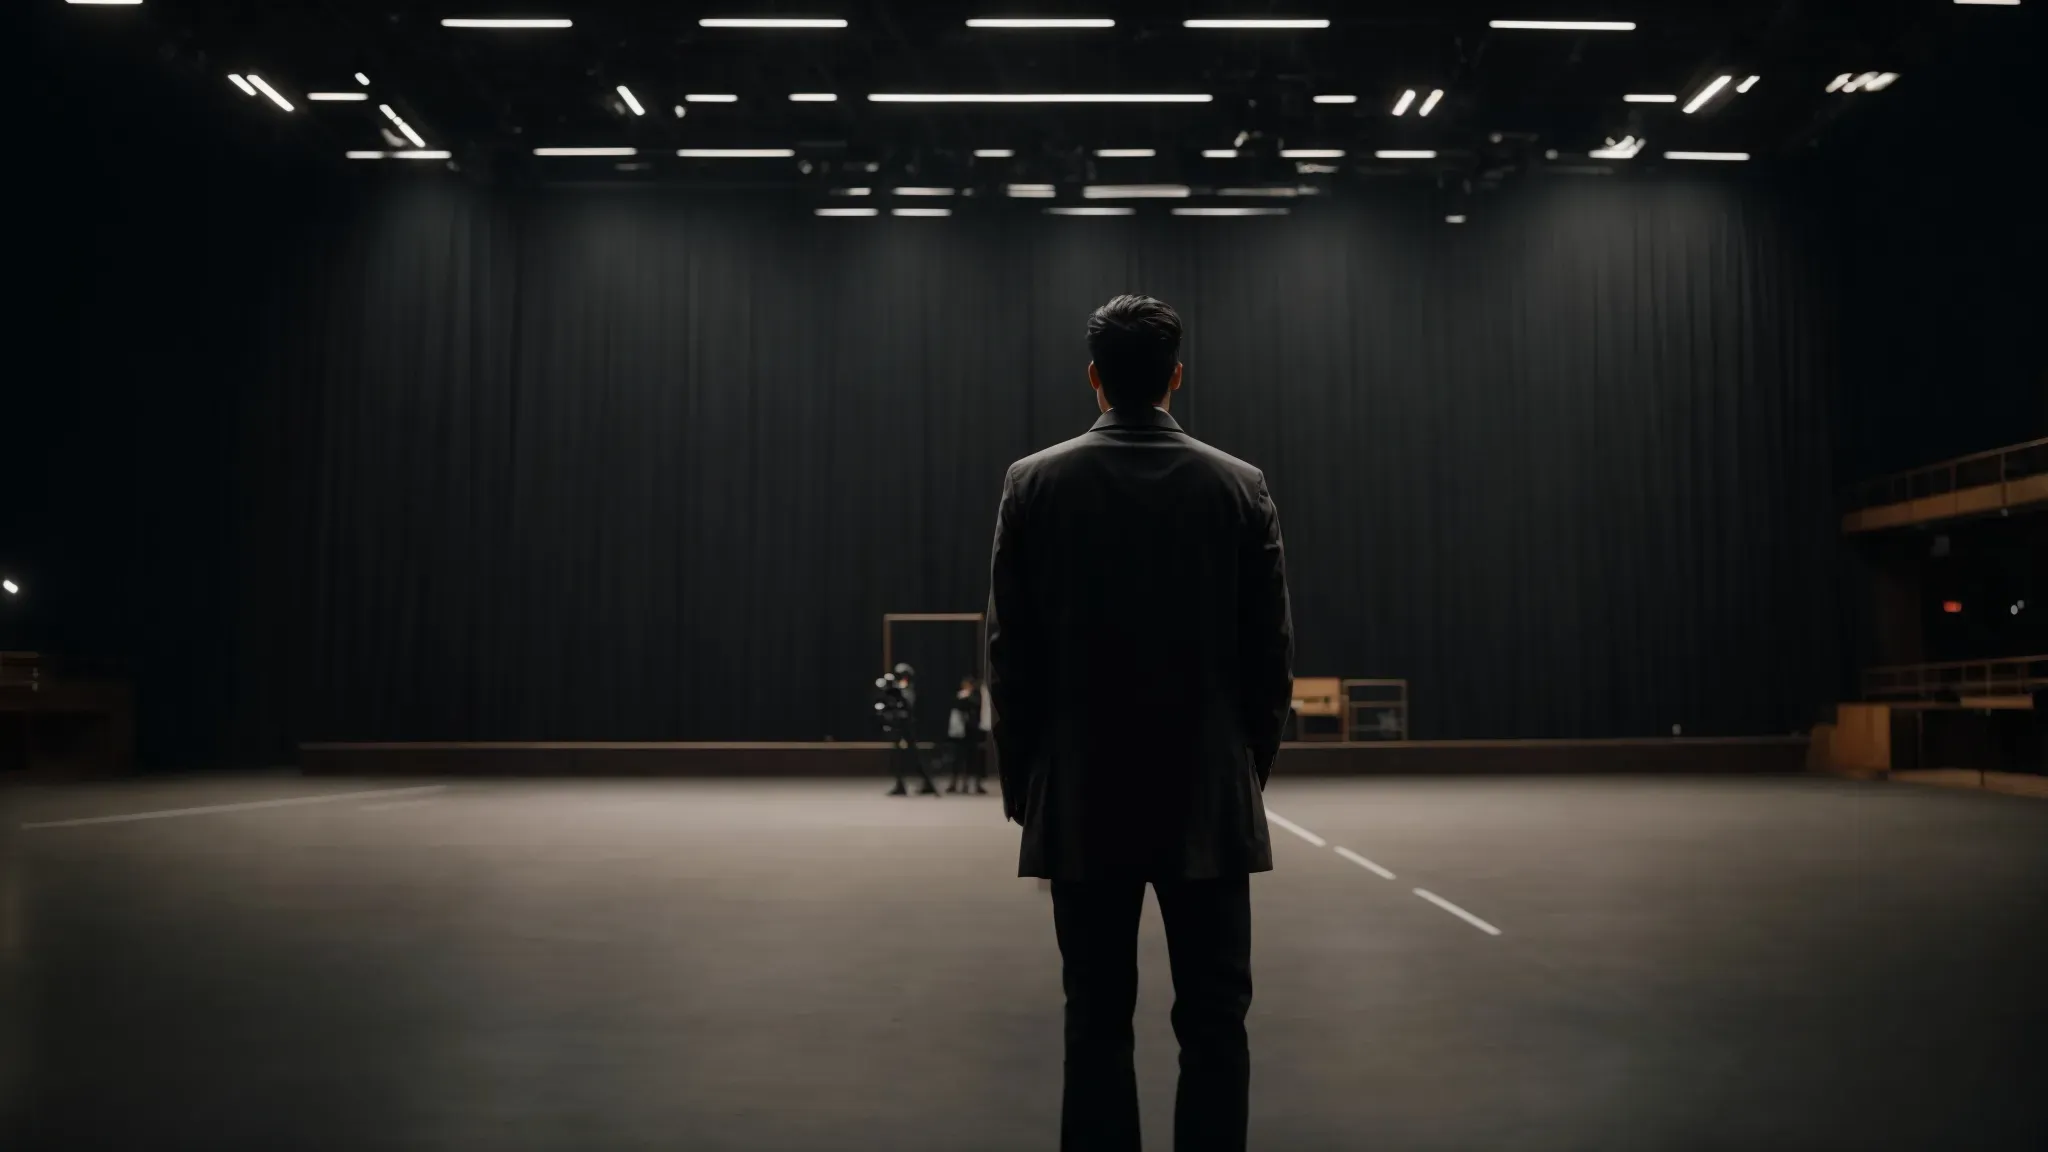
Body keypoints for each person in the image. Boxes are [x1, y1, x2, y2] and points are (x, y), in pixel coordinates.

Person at [986, 294, 1294, 1152]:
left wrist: (1029, 794)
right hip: (1206, 802)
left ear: (1094, 379)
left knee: (1093, 1023)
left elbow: (1011, 661)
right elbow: (1271, 660)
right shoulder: (1240, 487)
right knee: (1215, 1026)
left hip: (1084, 802)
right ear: (1176, 377)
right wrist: (1242, 777)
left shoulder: (1033, 483)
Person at [884, 663, 938, 797]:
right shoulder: (902, 688)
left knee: (910, 756)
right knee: (902, 756)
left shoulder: (906, 689)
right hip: (901, 725)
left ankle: (924, 784)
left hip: (905, 725)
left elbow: (906, 705)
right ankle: (903, 784)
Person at [946, 676, 987, 793]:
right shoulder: (960, 695)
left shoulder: (976, 696)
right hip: (960, 733)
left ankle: (975, 785)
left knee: (973, 760)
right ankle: (955, 784)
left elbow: (976, 707)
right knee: (957, 759)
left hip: (972, 732)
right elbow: (956, 707)